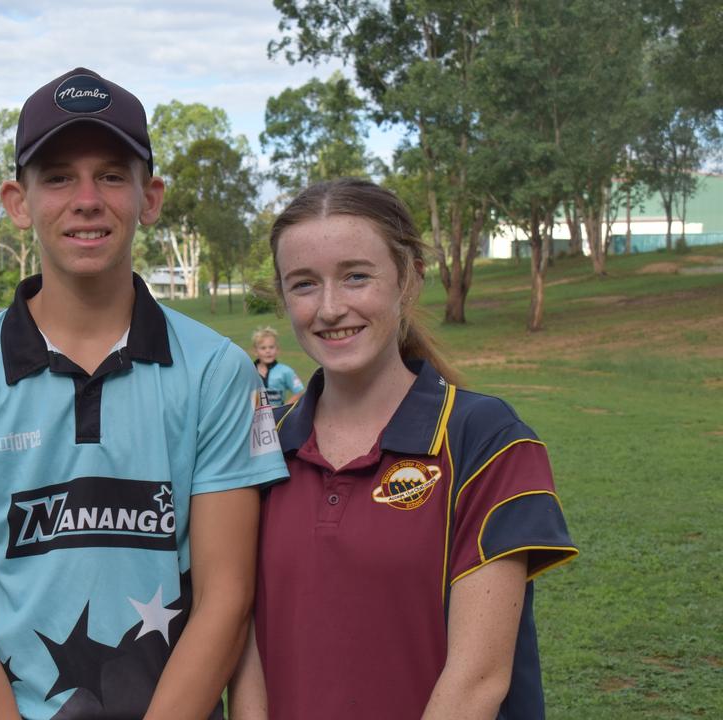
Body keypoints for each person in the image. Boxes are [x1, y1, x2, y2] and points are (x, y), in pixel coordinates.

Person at [0, 67, 286, 719]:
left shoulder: (218, 371)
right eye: (58, 177)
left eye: (110, 174)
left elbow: (227, 596)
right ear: (18, 202)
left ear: (148, 197)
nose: (86, 198)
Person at [228, 179, 578, 719]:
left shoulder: (486, 438)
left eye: (356, 276)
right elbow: (244, 644)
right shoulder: (262, 441)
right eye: (303, 284)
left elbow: (477, 681)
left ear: (410, 279)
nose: (329, 308)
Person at [251, 326, 304, 407]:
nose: (268, 351)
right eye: (263, 348)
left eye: (271, 347)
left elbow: (300, 392)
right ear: (255, 351)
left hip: (277, 418)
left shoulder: (285, 371)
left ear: (277, 349)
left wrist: (283, 409)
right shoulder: (248, 371)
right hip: (253, 418)